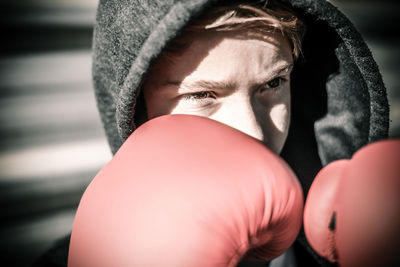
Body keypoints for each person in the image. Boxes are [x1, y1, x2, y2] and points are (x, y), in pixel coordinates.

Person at [33, 0, 389, 266]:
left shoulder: (348, 233)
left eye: (272, 83)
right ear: (136, 110)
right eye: (202, 95)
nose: (252, 130)